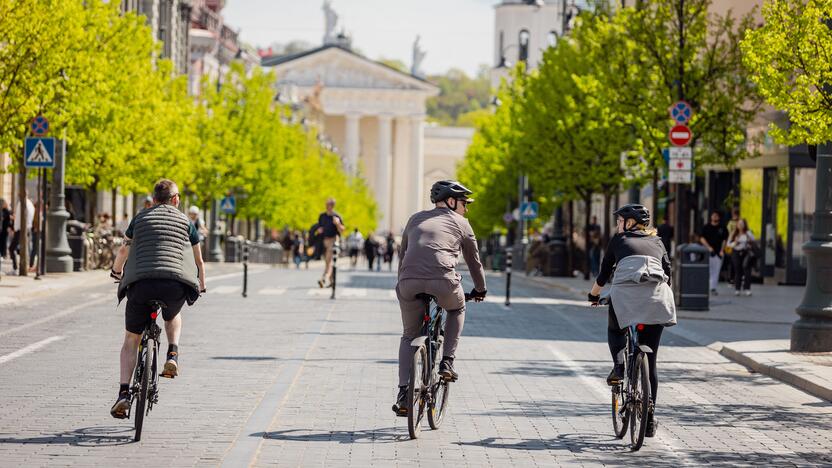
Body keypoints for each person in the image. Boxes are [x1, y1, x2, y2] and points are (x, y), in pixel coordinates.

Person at [109, 179, 206, 419]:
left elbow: (123, 251)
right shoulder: (186, 222)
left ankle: (123, 393)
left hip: (141, 285)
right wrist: (201, 284)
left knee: (132, 339)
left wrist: (116, 271)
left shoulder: (140, 218)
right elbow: (198, 260)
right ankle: (172, 354)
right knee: (172, 315)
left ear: (153, 200)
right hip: (174, 285)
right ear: (175, 199)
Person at [392, 180, 487, 416]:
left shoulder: (414, 219)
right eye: (465, 203)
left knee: (408, 336)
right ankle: (447, 363)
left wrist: (404, 283)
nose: (466, 208)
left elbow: (402, 255)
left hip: (408, 282)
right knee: (457, 309)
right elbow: (474, 261)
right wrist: (480, 289)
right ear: (452, 201)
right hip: (443, 281)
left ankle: (404, 394)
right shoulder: (462, 223)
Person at [588, 204, 676, 438]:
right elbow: (668, 271)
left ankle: (619, 367)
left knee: (615, 327)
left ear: (630, 223)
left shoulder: (619, 240)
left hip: (625, 296)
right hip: (657, 299)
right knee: (652, 361)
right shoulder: (657, 242)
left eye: (620, 220)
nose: (618, 224)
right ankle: (649, 419)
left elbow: (605, 272)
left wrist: (594, 295)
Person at [315, 198, 345, 288]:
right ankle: (332, 281)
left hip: (333, 240)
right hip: (324, 241)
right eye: (326, 204)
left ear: (332, 206)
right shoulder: (322, 216)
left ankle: (324, 278)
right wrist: (319, 230)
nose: (327, 206)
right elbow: (320, 227)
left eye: (328, 205)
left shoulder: (336, 216)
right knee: (328, 261)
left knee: (329, 261)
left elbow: (342, 230)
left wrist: (337, 224)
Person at [699, 211, 728, 295]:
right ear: (711, 217)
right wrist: (708, 247)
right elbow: (702, 238)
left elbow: (724, 240)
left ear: (719, 217)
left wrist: (722, 250)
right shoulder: (706, 227)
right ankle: (706, 286)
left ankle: (713, 288)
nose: (715, 217)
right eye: (713, 215)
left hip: (718, 253)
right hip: (707, 252)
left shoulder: (722, 228)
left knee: (716, 270)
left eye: (716, 216)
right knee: (707, 270)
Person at [727, 218, 755, 296]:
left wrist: (749, 240)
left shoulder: (748, 233)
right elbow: (728, 244)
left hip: (746, 252)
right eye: (739, 224)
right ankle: (737, 288)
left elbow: (753, 240)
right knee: (738, 270)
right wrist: (735, 242)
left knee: (747, 270)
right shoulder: (734, 233)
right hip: (736, 252)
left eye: (742, 224)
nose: (740, 225)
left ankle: (747, 288)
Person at [10, 197, 35, 273]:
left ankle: (16, 268)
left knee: (12, 248)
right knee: (25, 248)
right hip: (28, 228)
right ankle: (21, 267)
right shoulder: (30, 204)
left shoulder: (22, 203)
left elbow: (18, 217)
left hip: (21, 229)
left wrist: (15, 228)